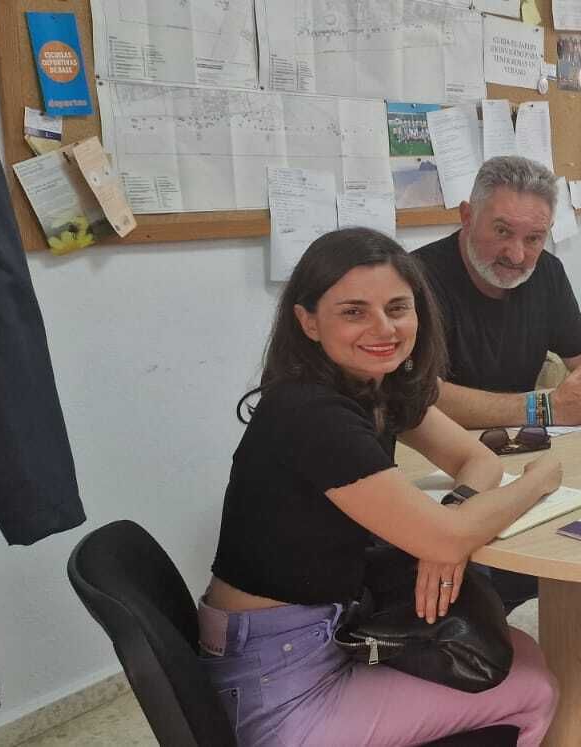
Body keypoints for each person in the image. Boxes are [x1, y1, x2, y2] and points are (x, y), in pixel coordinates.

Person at [199, 228, 559, 745]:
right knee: (535, 689)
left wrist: (450, 524)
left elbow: (472, 457)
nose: (383, 328)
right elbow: (450, 530)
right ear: (308, 322)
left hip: (321, 636)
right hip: (278, 683)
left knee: (516, 649)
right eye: (353, 311)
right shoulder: (311, 414)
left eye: (397, 307)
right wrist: (539, 481)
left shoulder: (375, 387)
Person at [413, 156, 581, 431]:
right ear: (467, 217)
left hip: (520, 442)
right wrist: (545, 409)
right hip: (434, 450)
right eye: (502, 231)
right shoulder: (414, 281)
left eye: (533, 239)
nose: (516, 255)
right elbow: (422, 397)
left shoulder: (547, 272)